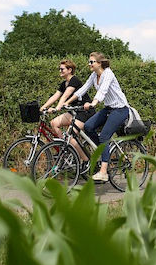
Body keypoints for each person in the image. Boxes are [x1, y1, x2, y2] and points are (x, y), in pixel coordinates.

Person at [66, 52, 130, 182]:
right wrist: (67, 102)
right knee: (88, 126)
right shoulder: (94, 75)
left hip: (120, 109)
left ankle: (103, 172)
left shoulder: (108, 74)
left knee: (104, 137)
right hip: (109, 109)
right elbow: (83, 89)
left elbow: (103, 91)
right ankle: (103, 151)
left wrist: (93, 103)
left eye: (91, 62)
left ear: (99, 63)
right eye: (89, 62)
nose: (89, 64)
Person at [39, 59, 94, 137]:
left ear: (69, 70)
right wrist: (42, 108)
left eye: (62, 69)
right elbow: (55, 96)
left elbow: (65, 96)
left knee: (70, 137)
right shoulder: (64, 83)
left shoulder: (74, 80)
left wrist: (57, 108)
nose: (60, 71)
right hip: (74, 111)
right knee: (54, 123)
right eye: (59, 69)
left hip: (84, 112)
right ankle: (64, 147)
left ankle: (69, 146)